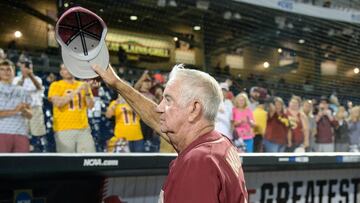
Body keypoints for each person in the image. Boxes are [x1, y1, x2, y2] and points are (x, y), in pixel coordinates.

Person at [92, 64, 248, 203]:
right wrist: (117, 83)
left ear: (194, 109)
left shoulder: (198, 161)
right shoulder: (219, 143)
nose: (159, 108)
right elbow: (156, 118)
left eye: (168, 100)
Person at [48, 64, 96, 153]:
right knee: (68, 162)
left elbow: (91, 106)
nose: (69, 70)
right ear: (61, 72)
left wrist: (87, 92)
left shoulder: (83, 85)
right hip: (64, 129)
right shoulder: (55, 85)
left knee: (89, 158)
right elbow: (58, 103)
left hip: (83, 128)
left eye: (70, 68)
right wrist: (77, 90)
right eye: (65, 69)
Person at [13, 59, 47, 152]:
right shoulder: (16, 79)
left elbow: (39, 87)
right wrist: (23, 77)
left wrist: (30, 74)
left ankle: (37, 151)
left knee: (37, 133)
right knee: (22, 133)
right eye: (24, 67)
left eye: (28, 67)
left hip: (35, 108)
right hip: (22, 109)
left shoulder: (37, 79)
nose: (26, 69)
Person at [0, 60, 32, 152]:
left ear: (14, 72)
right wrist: (15, 110)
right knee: (3, 165)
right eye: (2, 69)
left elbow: (30, 115)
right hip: (2, 132)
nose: (6, 72)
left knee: (22, 164)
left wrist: (24, 111)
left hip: (21, 133)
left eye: (9, 69)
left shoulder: (22, 90)